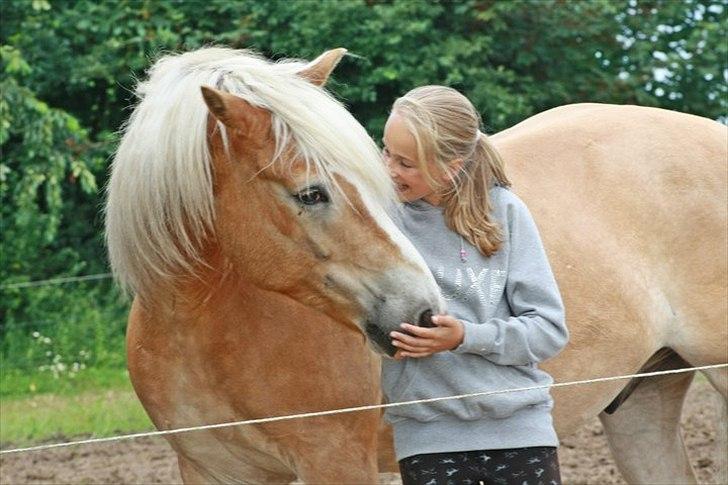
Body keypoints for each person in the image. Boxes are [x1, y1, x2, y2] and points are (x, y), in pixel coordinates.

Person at [381, 85, 569, 485]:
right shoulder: (383, 220)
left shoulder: (506, 213)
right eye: (386, 152)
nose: (389, 170)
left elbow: (549, 331)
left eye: (406, 163)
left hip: (522, 431)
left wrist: (466, 336)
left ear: (451, 166)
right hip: (427, 439)